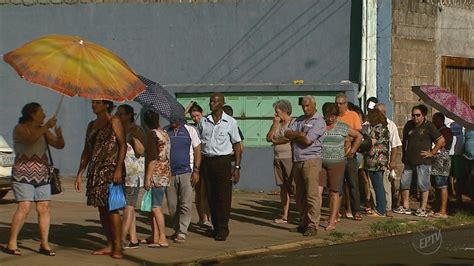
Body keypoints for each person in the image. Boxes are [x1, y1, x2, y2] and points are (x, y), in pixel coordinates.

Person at [5, 103, 64, 256]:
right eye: (41, 111)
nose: (44, 114)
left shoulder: (43, 130)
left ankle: (44, 244)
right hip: (23, 173)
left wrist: (59, 134)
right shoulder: (20, 128)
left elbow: (59, 145)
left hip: (42, 174)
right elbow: (29, 140)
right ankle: (11, 242)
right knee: (24, 207)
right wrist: (46, 127)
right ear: (32, 114)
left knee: (44, 208)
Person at [75, 100, 126, 259]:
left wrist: (118, 168)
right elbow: (87, 150)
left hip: (111, 170)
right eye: (92, 102)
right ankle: (109, 243)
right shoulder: (91, 125)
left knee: (112, 208)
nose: (93, 105)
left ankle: (118, 245)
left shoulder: (114, 121)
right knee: (102, 208)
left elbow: (122, 145)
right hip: (96, 170)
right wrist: (80, 172)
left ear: (106, 105)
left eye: (97, 103)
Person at [197, 92, 242, 241]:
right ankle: (215, 227)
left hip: (223, 162)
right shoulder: (204, 122)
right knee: (210, 196)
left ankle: (223, 229)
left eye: (215, 101)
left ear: (222, 103)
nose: (211, 104)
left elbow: (237, 145)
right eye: (210, 101)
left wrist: (237, 167)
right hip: (207, 161)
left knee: (223, 197)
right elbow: (198, 143)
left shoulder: (230, 122)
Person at [285, 95, 325, 236]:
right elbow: (287, 133)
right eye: (303, 106)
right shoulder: (299, 119)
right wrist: (299, 134)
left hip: (311, 160)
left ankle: (312, 224)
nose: (305, 108)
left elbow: (308, 140)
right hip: (297, 159)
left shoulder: (319, 121)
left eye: (307, 105)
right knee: (299, 193)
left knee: (311, 194)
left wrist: (297, 135)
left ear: (314, 105)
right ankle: (303, 221)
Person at [394, 105, 445, 217]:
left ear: (423, 116)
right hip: (409, 160)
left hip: (423, 160)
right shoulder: (409, 125)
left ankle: (422, 207)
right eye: (413, 115)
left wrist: (432, 152)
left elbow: (441, 140)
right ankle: (406, 205)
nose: (415, 117)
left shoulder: (429, 126)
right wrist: (404, 154)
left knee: (423, 184)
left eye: (418, 115)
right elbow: (405, 141)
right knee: (404, 182)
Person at [318, 103, 362, 231]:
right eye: (328, 116)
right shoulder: (321, 126)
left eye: (333, 116)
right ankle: (315, 218)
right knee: (318, 191)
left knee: (334, 192)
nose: (330, 119)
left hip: (337, 163)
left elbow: (358, 136)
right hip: (321, 162)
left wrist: (352, 151)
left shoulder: (342, 127)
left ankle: (332, 220)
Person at [165, 111, 201, 243]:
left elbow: (197, 149)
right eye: (170, 117)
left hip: (187, 172)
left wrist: (196, 170)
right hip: (169, 173)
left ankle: (182, 231)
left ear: (181, 118)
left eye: (175, 117)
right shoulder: (165, 131)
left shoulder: (190, 130)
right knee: (172, 204)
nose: (172, 120)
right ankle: (176, 228)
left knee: (185, 204)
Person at [115, 104, 145, 249]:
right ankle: (133, 238)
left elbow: (141, 151)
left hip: (134, 173)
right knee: (127, 206)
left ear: (129, 115)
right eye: (117, 113)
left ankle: (121, 238)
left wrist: (133, 138)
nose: (118, 116)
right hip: (121, 172)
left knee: (129, 206)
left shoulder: (137, 130)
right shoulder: (117, 129)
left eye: (121, 114)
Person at [142, 110, 171, 248]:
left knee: (155, 207)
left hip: (157, 174)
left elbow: (152, 159)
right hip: (165, 172)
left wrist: (147, 178)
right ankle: (155, 237)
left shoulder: (152, 134)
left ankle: (162, 238)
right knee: (153, 207)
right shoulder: (164, 133)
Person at [335, 93, 363, 221]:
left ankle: (356, 210)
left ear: (346, 104)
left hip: (350, 154)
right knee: (338, 185)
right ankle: (339, 209)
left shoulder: (353, 115)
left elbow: (358, 134)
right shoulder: (334, 117)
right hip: (337, 155)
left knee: (353, 184)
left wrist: (351, 148)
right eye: (337, 103)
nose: (338, 106)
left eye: (341, 103)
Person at [266, 99, 294, 224]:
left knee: (294, 186)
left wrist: (275, 141)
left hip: (289, 157)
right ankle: (285, 215)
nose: (275, 115)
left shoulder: (292, 123)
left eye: (277, 112)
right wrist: (275, 125)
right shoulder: (276, 124)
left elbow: (287, 138)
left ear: (285, 111)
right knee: (283, 187)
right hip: (277, 157)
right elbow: (268, 137)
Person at [374, 103, 402, 217]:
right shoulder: (370, 124)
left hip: (385, 159)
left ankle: (388, 207)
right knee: (374, 185)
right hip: (372, 159)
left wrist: (393, 161)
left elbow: (395, 145)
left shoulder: (391, 125)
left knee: (386, 184)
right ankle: (376, 206)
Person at [186, 102, 211, 228]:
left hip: (206, 160)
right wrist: (187, 108)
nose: (196, 118)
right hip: (196, 162)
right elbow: (180, 118)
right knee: (199, 192)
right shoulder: (191, 128)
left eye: (197, 115)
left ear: (202, 114)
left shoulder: (207, 125)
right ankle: (203, 218)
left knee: (206, 192)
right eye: (193, 116)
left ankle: (207, 217)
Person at [364, 108, 390, 217]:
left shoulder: (376, 129)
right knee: (380, 186)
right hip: (382, 160)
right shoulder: (384, 129)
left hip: (375, 161)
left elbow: (371, 142)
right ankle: (381, 208)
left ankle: (381, 210)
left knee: (377, 186)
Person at [430, 112, 453, 218]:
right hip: (435, 161)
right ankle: (437, 207)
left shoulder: (446, 131)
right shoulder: (436, 130)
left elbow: (443, 143)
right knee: (437, 185)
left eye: (436, 119)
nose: (434, 122)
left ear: (441, 120)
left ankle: (443, 210)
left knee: (442, 184)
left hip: (442, 160)